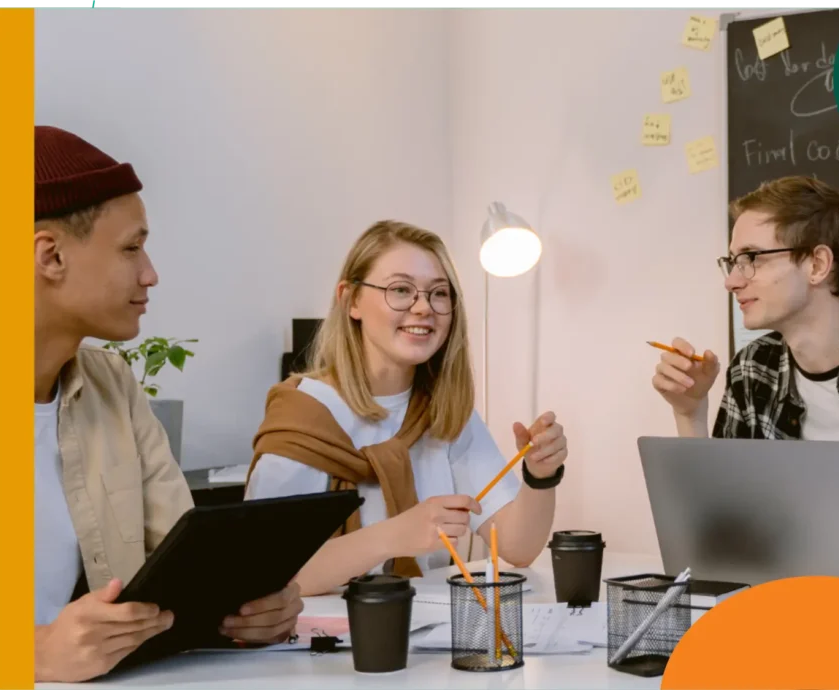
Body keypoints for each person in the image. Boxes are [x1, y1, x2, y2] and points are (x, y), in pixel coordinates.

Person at [32, 125, 301, 683]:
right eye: (131, 248)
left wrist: (247, 609)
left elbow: (183, 564)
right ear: (50, 256)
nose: (150, 274)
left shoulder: (111, 384)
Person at [245, 220, 571, 596]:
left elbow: (518, 547)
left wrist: (540, 476)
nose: (423, 307)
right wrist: (394, 535)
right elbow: (264, 574)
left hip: (425, 627)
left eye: (439, 293)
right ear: (351, 300)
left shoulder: (446, 413)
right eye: (400, 290)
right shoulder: (302, 417)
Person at [651, 175, 839, 487]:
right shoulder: (753, 369)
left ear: (817, 265)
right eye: (732, 262)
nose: (731, 282)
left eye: (751, 257)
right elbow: (724, 510)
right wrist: (690, 413)